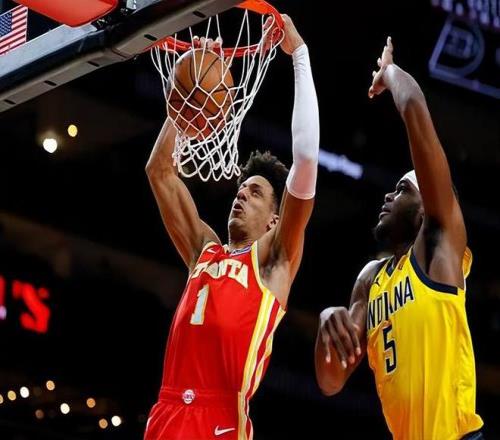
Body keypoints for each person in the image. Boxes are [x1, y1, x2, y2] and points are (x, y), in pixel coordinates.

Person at [144, 15, 319, 440]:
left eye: (255, 193)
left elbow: (306, 159)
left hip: (220, 418)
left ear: (275, 220)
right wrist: (188, 98)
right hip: (167, 412)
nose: (241, 195)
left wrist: (299, 55)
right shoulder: (204, 251)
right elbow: (159, 171)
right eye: (241, 189)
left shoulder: (274, 261)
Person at [315, 37, 484, 440]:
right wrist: (326, 325)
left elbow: (415, 109)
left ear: (427, 206)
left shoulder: (439, 246)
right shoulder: (370, 279)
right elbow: (331, 380)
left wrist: (389, 73)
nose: (389, 196)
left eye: (403, 189)